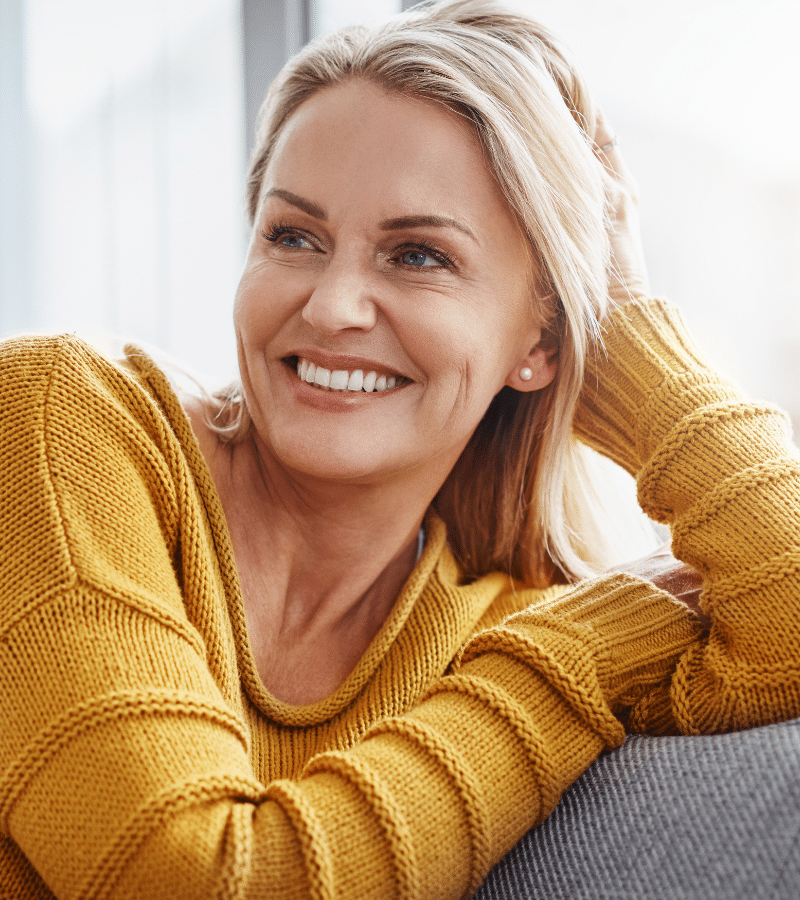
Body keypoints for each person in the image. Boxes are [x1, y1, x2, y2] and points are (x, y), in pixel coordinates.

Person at [0, 1, 798, 897]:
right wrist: (566, 665)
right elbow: (188, 878)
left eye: (418, 256)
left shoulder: (503, 625)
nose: (333, 305)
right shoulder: (55, 421)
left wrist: (630, 346)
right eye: (293, 236)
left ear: (539, 346)